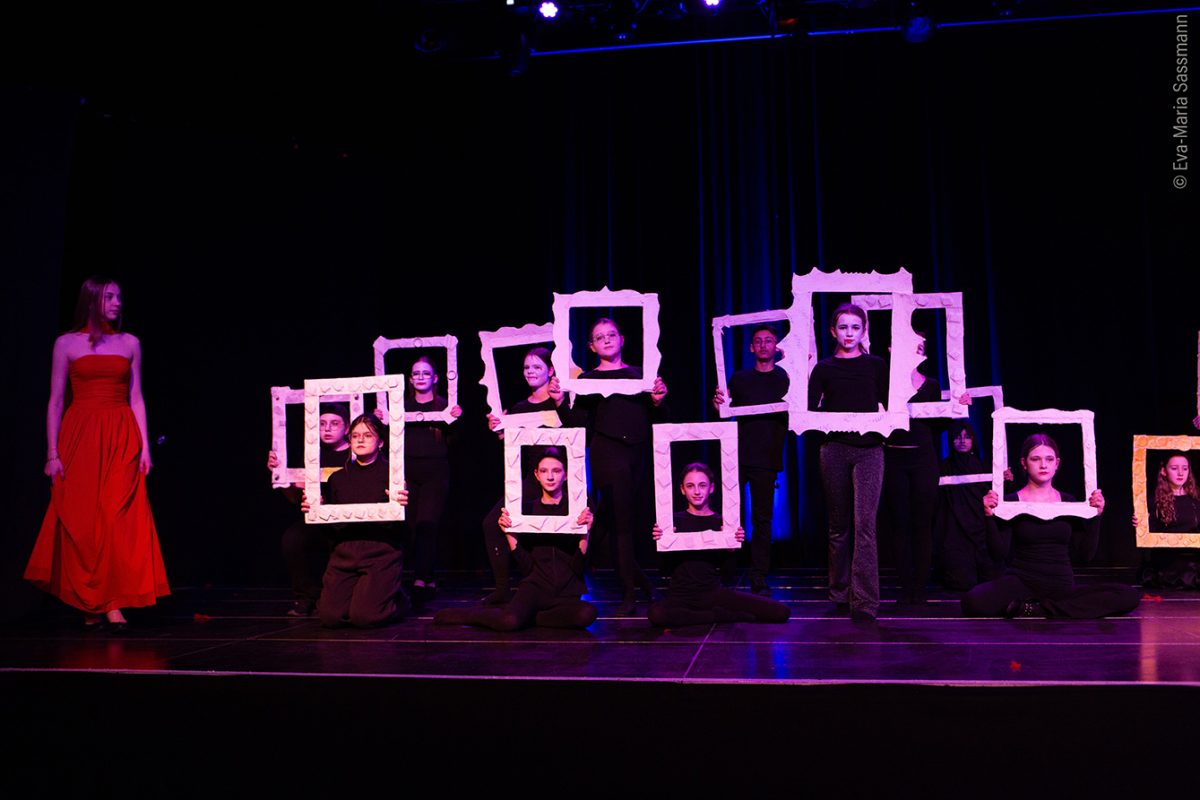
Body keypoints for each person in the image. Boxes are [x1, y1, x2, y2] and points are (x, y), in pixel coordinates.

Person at [25, 277, 169, 631]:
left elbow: (136, 397)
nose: (118, 302)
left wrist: (145, 446)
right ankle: (90, 602)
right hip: (81, 436)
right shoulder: (66, 344)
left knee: (116, 517)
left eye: (119, 296)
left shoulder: (130, 342)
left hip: (121, 433)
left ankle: (112, 602)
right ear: (91, 301)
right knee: (84, 520)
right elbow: (56, 400)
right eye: (109, 297)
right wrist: (52, 452)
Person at [961, 433, 1140, 619]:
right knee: (972, 601)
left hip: (1060, 585)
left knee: (1128, 596)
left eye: (1049, 459)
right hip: (1021, 582)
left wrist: (1097, 516)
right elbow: (998, 553)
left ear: (1057, 463)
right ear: (1024, 463)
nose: (1043, 465)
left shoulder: (1068, 501)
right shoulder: (1011, 501)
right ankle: (1054, 609)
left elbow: (1085, 555)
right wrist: (989, 517)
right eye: (1035, 459)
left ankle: (1038, 610)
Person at [564, 318, 668, 616]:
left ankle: (576, 573)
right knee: (621, 522)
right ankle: (629, 593)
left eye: (611, 335)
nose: (607, 340)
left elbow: (659, 421)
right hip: (607, 452)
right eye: (600, 337)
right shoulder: (588, 380)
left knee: (610, 522)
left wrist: (658, 401)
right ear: (591, 346)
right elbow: (578, 424)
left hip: (638, 453)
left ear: (622, 339)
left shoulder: (640, 375)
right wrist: (560, 402)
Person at [434, 448, 597, 631]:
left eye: (556, 471)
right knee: (509, 621)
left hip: (567, 591)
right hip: (536, 587)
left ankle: (532, 618)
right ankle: (469, 615)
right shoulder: (527, 510)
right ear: (536, 475)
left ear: (566, 475)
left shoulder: (577, 512)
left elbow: (578, 567)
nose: (550, 477)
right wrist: (509, 533)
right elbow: (527, 567)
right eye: (544, 471)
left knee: (587, 613)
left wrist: (585, 533)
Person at [808, 303, 887, 622]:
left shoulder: (876, 365)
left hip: (870, 450)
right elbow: (808, 409)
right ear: (833, 331)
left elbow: (893, 404)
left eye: (855, 327)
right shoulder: (823, 368)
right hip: (835, 449)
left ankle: (865, 601)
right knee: (839, 524)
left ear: (864, 331)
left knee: (865, 525)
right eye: (843, 327)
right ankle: (839, 591)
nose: (849, 333)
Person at [301, 413, 410, 628]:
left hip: (380, 552)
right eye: (355, 436)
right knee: (330, 617)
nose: (360, 440)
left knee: (364, 617)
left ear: (380, 442)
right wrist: (316, 510)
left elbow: (404, 527)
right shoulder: (337, 478)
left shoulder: (393, 476)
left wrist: (402, 504)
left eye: (367, 435)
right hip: (345, 553)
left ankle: (400, 599)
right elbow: (331, 529)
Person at [648, 463, 790, 627]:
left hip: (713, 593)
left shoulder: (722, 522)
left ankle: (709, 615)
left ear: (711, 488)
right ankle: (720, 616)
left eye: (702, 485)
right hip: (681, 596)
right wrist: (663, 542)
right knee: (656, 614)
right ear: (682, 489)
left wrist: (730, 550)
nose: (696, 491)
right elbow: (664, 569)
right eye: (690, 486)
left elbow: (728, 575)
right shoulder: (672, 521)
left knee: (781, 612)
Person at [481, 347, 567, 605]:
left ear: (550, 370)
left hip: (563, 479)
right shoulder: (520, 408)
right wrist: (501, 431)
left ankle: (563, 584)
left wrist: (562, 403)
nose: (530, 372)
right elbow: (512, 446)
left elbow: (578, 431)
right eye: (527, 368)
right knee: (492, 523)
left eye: (537, 367)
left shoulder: (562, 401)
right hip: (533, 479)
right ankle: (503, 587)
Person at [712, 324, 789, 596]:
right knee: (730, 515)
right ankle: (727, 571)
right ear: (751, 347)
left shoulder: (785, 378)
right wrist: (719, 404)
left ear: (776, 346)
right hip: (738, 454)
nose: (764, 345)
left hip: (767, 457)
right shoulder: (740, 378)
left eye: (769, 340)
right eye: (758, 341)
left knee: (762, 519)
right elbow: (724, 410)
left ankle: (759, 576)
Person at [266, 402, 352, 616]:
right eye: (322, 423)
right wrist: (281, 475)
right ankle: (306, 597)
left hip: (347, 519)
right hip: (317, 519)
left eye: (334, 423)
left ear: (347, 428)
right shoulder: (311, 453)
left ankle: (341, 595)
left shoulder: (355, 453)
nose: (327, 428)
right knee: (293, 538)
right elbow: (294, 498)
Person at [404, 355, 462, 604]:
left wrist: (455, 420)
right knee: (412, 527)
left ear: (435, 378)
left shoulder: (444, 406)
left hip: (435, 472)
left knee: (427, 524)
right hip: (408, 471)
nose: (420, 377)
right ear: (410, 379)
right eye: (416, 373)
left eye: (426, 373)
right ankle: (426, 577)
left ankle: (421, 579)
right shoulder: (401, 406)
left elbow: (455, 443)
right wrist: (382, 417)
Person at [936, 420, 1009, 591]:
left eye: (967, 437)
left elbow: (997, 496)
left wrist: (1006, 480)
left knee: (990, 580)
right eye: (957, 437)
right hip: (955, 528)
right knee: (960, 582)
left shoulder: (984, 466)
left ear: (973, 440)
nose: (962, 441)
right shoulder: (943, 467)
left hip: (981, 526)